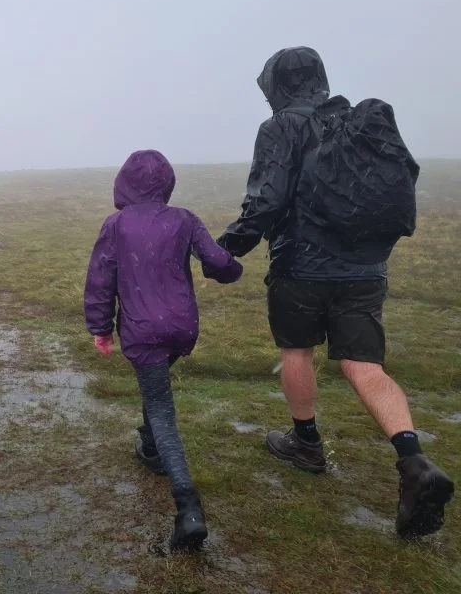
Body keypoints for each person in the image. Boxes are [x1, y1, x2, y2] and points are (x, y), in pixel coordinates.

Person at [218, 46, 454, 539]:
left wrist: (227, 248)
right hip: (366, 269)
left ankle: (306, 444)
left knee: (297, 351)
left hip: (301, 267)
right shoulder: (353, 123)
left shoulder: (281, 127)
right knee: (364, 365)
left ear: (277, 85)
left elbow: (268, 199)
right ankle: (413, 459)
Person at [85, 149, 243, 551]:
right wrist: (232, 269)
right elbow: (217, 260)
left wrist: (101, 328)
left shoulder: (116, 225)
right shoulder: (184, 219)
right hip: (181, 327)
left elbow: (100, 279)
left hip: (143, 329)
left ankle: (188, 508)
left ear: (124, 183)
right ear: (167, 184)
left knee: (160, 407)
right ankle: (150, 446)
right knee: (153, 384)